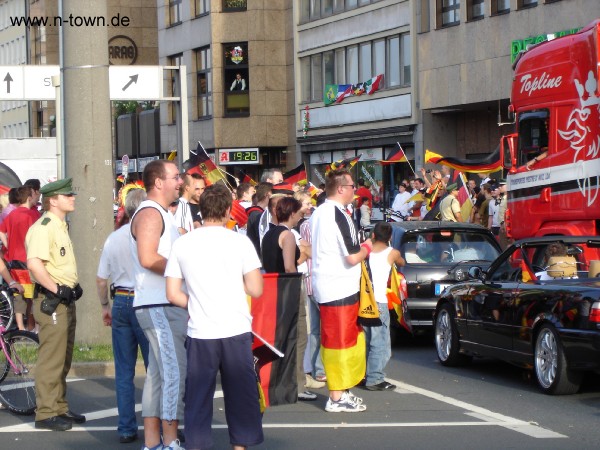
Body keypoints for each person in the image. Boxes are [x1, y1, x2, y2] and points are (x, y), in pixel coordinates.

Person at [165, 184, 264, 450]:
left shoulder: (183, 243)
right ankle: (240, 446)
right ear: (227, 211)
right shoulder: (240, 241)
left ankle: (197, 445)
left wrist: (196, 302)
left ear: (202, 209)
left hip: (200, 331)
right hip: (235, 328)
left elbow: (173, 293)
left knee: (198, 398)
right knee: (241, 394)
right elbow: (256, 288)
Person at [129, 160, 186, 450]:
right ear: (158, 182)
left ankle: (153, 443)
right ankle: (171, 441)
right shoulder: (151, 212)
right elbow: (148, 257)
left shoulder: (160, 212)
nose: (181, 181)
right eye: (176, 177)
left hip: (157, 303)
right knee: (174, 373)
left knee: (158, 378)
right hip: (159, 304)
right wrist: (184, 271)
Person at [25, 178, 84, 431]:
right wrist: (57, 288)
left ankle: (59, 405)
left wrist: (71, 286)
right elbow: (34, 263)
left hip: (64, 299)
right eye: (67, 195)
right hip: (52, 300)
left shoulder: (60, 225)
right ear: (53, 200)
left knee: (64, 356)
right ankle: (46, 412)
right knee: (52, 358)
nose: (72, 197)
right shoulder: (44, 226)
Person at [310, 169, 372, 413]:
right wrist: (369, 246)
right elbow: (352, 256)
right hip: (338, 285)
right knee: (338, 342)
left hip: (331, 284)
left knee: (343, 339)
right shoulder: (337, 213)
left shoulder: (321, 212)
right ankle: (336, 396)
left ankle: (342, 390)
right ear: (340, 189)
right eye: (352, 186)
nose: (355, 191)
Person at [96, 188, 150, 444]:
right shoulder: (150, 236)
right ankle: (161, 424)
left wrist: (105, 305)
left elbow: (100, 279)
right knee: (156, 370)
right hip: (146, 300)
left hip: (121, 300)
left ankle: (126, 427)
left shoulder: (114, 238)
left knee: (124, 370)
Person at [364, 222, 405, 391]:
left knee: (366, 341)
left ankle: (364, 374)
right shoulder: (392, 253)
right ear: (390, 237)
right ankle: (374, 378)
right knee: (380, 343)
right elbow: (401, 262)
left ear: (373, 235)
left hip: (364, 301)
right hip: (379, 301)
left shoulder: (364, 252)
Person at [0, 186, 39, 331]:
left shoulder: (12, 214)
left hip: (14, 259)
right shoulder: (31, 215)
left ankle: (21, 326)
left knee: (19, 296)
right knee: (32, 296)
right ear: (30, 197)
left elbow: (1, 231)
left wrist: (7, 245)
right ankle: (31, 326)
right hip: (28, 259)